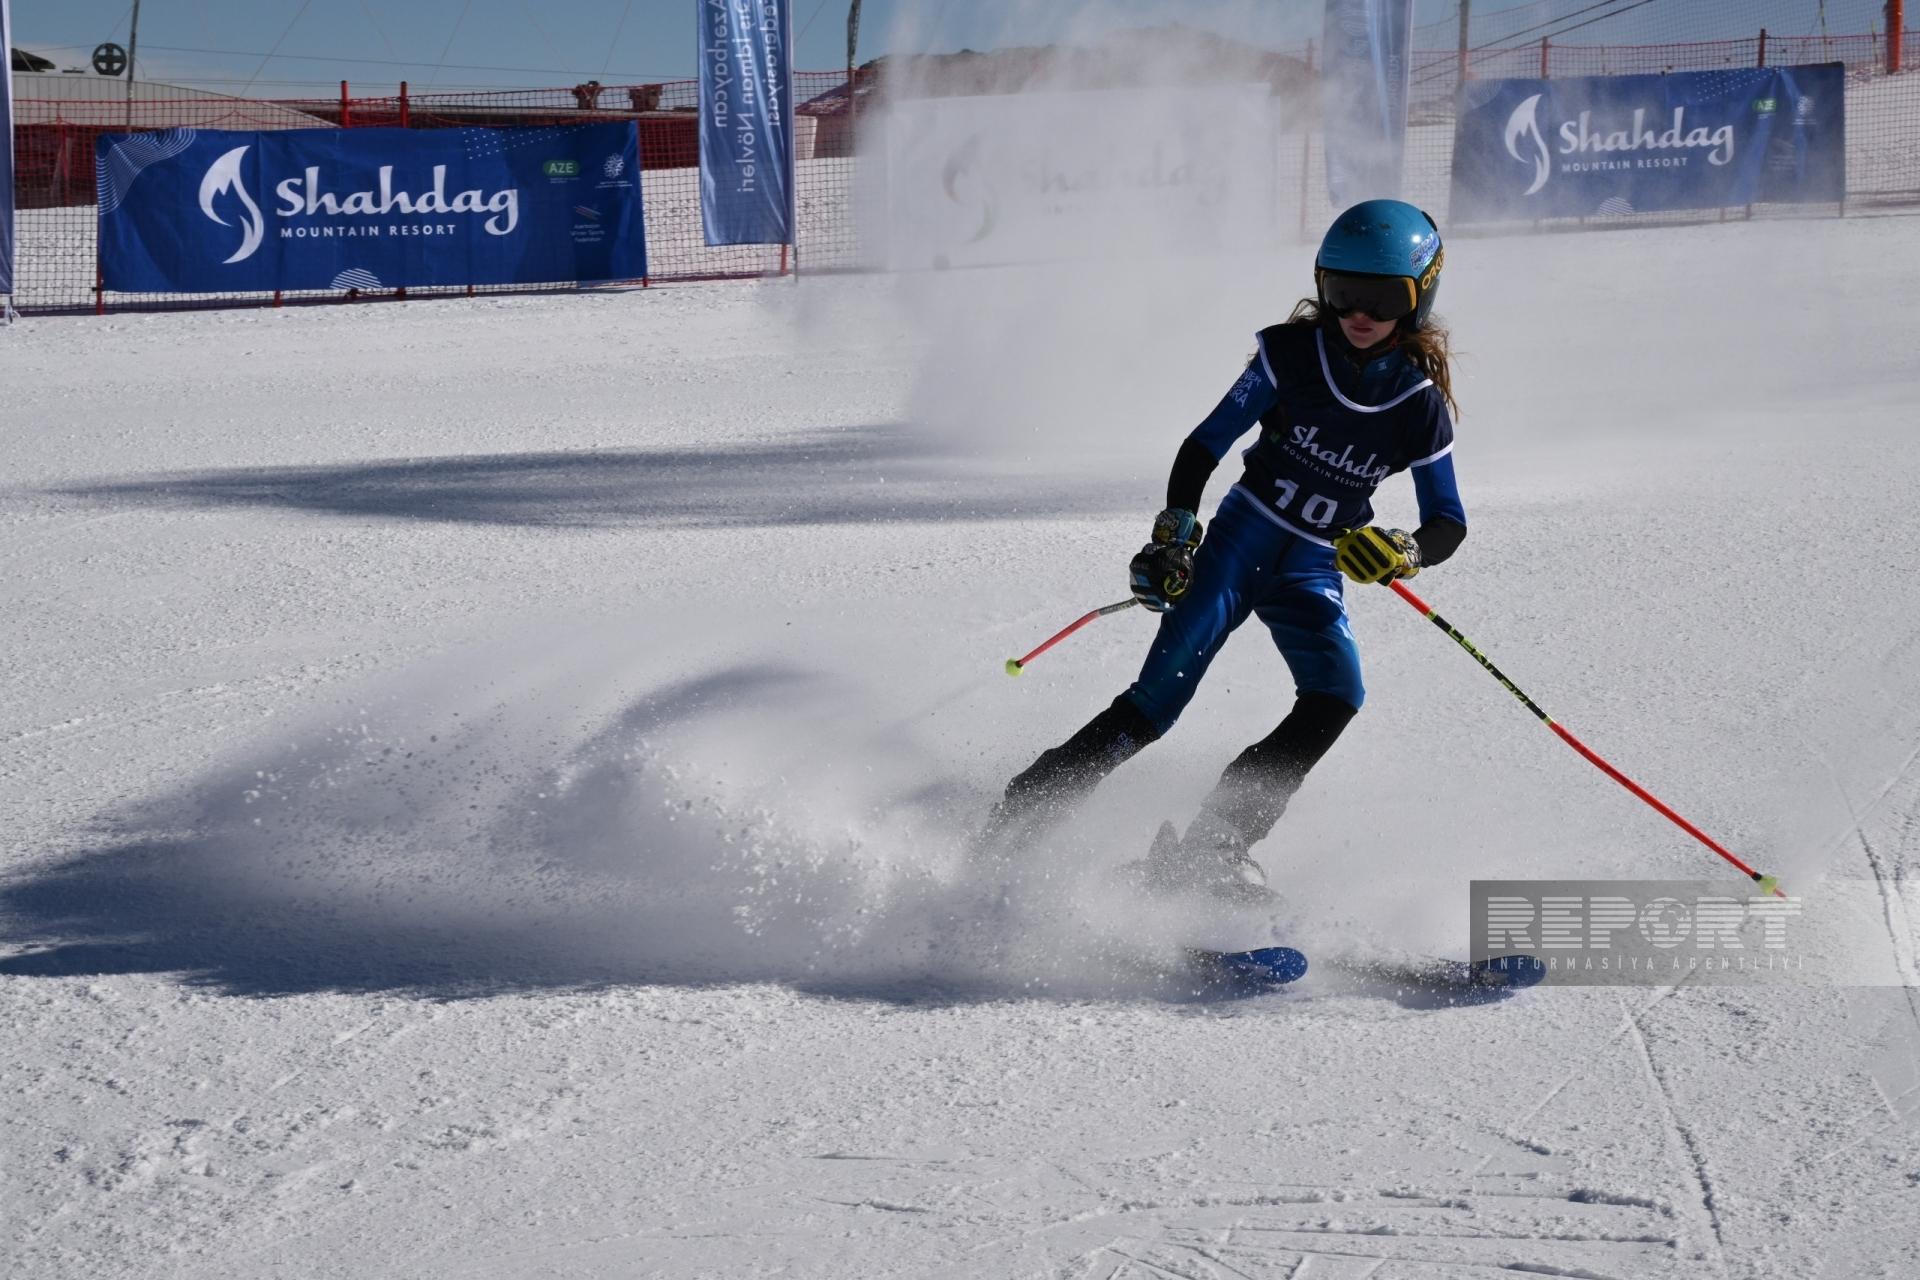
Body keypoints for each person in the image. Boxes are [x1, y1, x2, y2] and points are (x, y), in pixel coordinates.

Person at [983, 199, 1467, 895]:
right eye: (1342, 292)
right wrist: (1176, 531)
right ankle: (1019, 817)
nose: (1360, 312)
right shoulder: (1289, 355)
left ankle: (1213, 846)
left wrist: (1403, 552)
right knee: (1154, 706)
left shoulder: (1419, 404)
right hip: (1242, 541)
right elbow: (1204, 445)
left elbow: (1446, 521)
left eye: (1384, 297)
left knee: (1336, 696)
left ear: (1420, 299)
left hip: (1313, 566)